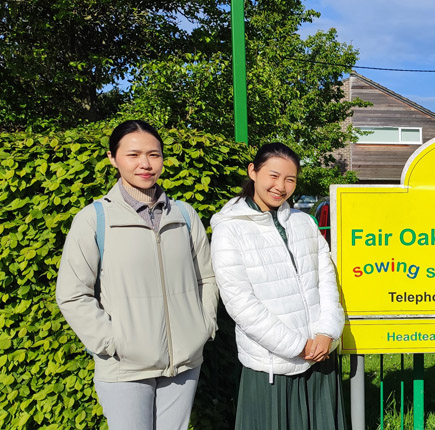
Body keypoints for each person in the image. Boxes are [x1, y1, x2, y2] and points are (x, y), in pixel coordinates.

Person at [56, 120, 218, 430]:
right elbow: (72, 294)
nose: (145, 164)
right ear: (112, 158)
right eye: (133, 155)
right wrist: (113, 343)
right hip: (124, 367)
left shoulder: (184, 215)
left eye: (154, 154)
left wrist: (204, 325)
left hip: (184, 363)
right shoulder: (94, 219)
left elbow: (206, 278)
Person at [210, 142, 347, 429]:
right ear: (253, 171)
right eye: (273, 176)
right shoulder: (230, 229)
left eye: (290, 179)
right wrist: (297, 346)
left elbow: (327, 282)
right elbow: (240, 304)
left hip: (319, 358)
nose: (281, 186)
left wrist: (327, 332)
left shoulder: (303, 222)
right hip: (273, 365)